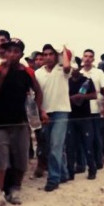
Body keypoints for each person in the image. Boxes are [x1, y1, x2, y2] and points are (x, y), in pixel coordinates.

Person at [0, 38, 44, 206]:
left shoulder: (27, 72)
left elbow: (38, 92)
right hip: (0, 121)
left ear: (21, 54)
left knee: (21, 158)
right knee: (1, 158)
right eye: (8, 51)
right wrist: (2, 76)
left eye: (15, 51)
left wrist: (37, 111)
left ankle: (16, 188)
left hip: (20, 122)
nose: (11, 54)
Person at [36, 44, 71, 192]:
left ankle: (53, 178)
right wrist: (41, 111)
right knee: (52, 146)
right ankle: (63, 173)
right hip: (45, 112)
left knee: (56, 145)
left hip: (61, 111)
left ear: (56, 56)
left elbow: (68, 66)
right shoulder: (38, 73)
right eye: (45, 54)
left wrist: (63, 49)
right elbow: (36, 95)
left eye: (51, 54)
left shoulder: (62, 70)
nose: (48, 57)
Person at [66, 57, 97, 180]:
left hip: (85, 117)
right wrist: (72, 98)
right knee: (70, 146)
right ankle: (70, 171)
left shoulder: (87, 81)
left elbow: (94, 95)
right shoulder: (66, 81)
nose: (73, 69)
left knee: (88, 145)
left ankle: (92, 169)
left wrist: (82, 97)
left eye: (75, 66)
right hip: (70, 117)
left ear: (79, 67)